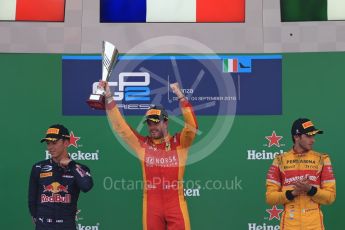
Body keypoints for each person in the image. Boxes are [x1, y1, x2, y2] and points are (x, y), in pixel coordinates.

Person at [102, 81, 198, 230]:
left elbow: (192, 128)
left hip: (176, 205)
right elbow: (121, 128)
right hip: (152, 207)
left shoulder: (179, 142)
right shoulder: (142, 144)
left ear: (165, 123)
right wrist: (109, 98)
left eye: (156, 122)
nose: (152, 127)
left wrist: (182, 98)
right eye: (149, 123)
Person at [266, 118, 336, 230]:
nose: (313, 140)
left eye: (314, 136)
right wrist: (293, 193)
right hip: (289, 225)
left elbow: (330, 197)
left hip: (315, 226)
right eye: (309, 136)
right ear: (296, 137)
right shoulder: (279, 160)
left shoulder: (322, 159)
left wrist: (310, 190)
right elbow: (270, 198)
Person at [28, 124, 93, 230]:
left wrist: (71, 165)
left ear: (66, 142)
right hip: (43, 226)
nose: (50, 147)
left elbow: (86, 186)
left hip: (66, 226)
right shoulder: (38, 167)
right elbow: (32, 198)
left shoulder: (78, 168)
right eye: (48, 143)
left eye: (54, 143)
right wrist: (38, 219)